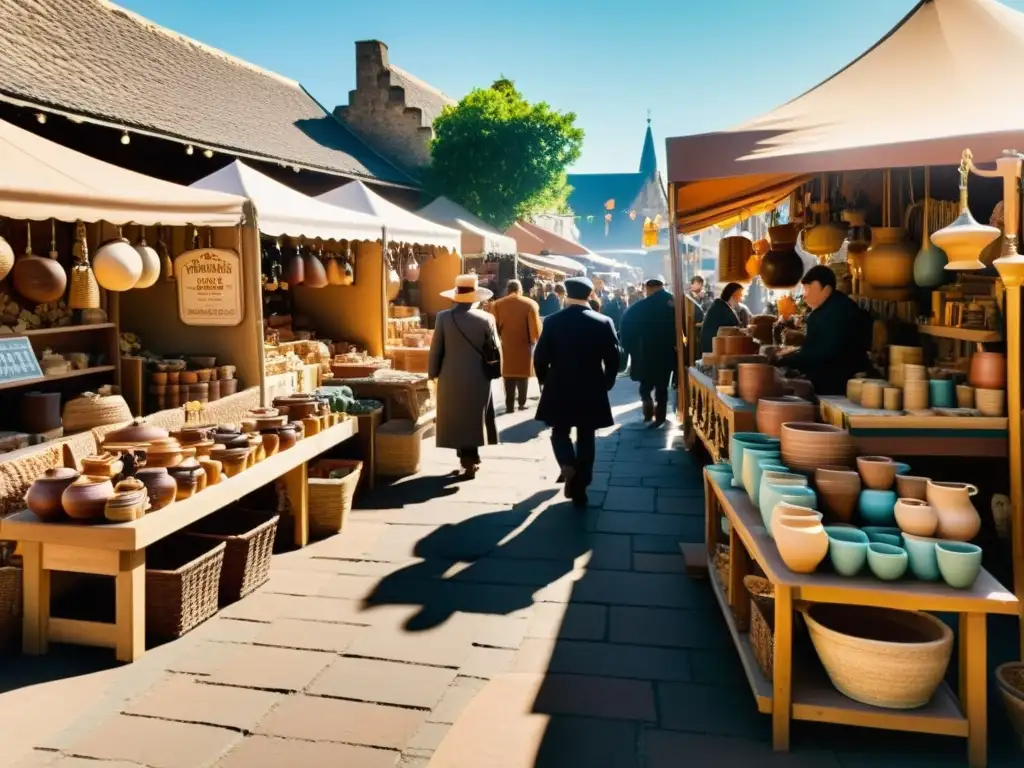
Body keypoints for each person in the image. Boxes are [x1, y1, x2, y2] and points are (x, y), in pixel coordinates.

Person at [534, 276, 620, 507]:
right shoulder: (603, 321)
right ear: (590, 294)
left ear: (567, 294)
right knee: (586, 436)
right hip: (591, 385)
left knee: (559, 431)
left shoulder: (552, 321)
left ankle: (567, 464)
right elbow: (614, 359)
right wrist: (606, 383)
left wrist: (545, 381)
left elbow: (540, 357)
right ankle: (581, 485)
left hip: (559, 383)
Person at [428, 274, 502, 477]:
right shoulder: (487, 318)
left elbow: (436, 350)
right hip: (478, 375)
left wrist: (432, 373)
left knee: (457, 417)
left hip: (450, 375)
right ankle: (470, 459)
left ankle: (467, 460)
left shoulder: (443, 317)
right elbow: (496, 349)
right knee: (474, 417)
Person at [772, 265, 872, 395]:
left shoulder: (834, 312)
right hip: (838, 375)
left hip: (838, 382)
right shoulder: (836, 304)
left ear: (826, 290)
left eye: (808, 289)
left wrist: (786, 360)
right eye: (804, 289)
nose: (804, 295)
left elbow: (822, 353)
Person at [620, 275, 677, 427]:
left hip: (645, 353)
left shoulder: (639, 306)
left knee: (645, 385)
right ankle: (660, 416)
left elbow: (625, 328)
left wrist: (629, 349)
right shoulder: (674, 302)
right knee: (662, 386)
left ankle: (647, 409)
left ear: (649, 288)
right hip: (666, 353)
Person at [490, 279, 541, 413]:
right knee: (523, 375)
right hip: (524, 345)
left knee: (508, 375)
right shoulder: (530, 304)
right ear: (520, 290)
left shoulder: (497, 305)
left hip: (505, 345)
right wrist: (533, 341)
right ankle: (522, 403)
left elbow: (492, 328)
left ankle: (509, 405)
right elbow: (535, 330)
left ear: (507, 290)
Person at [699, 282, 744, 353]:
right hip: (714, 351)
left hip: (713, 348)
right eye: (740, 295)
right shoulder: (722, 308)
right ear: (732, 295)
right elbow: (737, 326)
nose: (741, 299)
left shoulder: (719, 305)